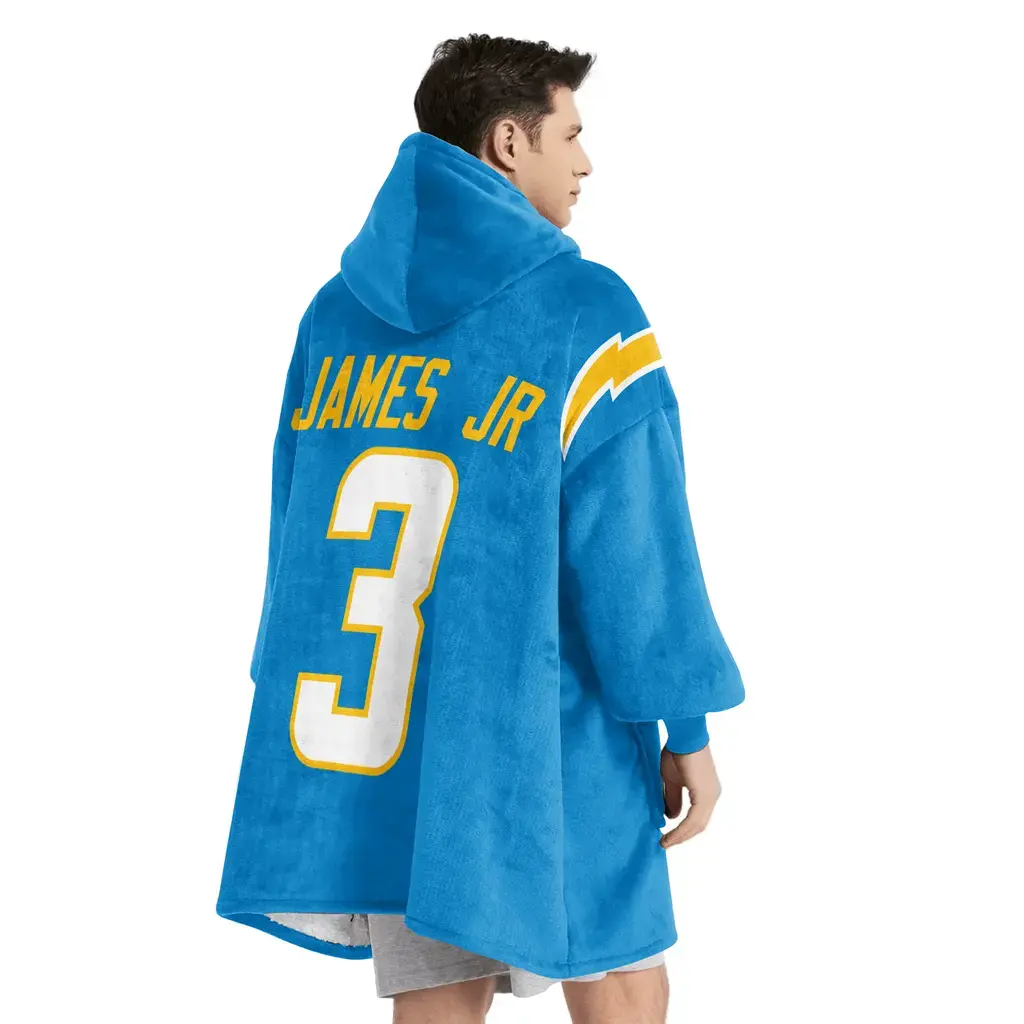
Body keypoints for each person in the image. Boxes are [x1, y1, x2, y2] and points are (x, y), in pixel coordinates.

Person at [216, 32, 744, 1024]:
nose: (586, 162)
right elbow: (639, 552)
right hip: (555, 725)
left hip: (401, 740)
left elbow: (295, 540)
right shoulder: (584, 310)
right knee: (622, 977)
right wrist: (685, 726)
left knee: (438, 997)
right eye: (569, 135)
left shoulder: (335, 315)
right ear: (509, 141)